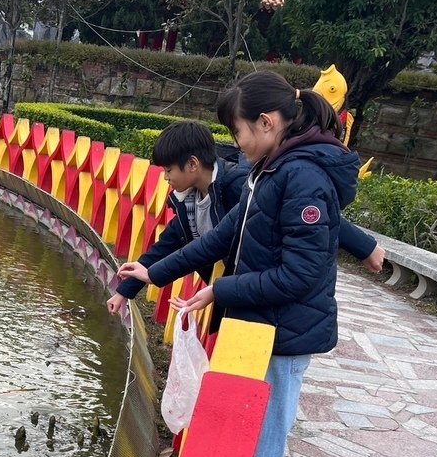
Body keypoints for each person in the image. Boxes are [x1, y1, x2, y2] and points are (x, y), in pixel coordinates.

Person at [117, 71, 362, 457]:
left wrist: (222, 291)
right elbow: (218, 240)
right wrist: (151, 274)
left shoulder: (303, 177)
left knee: (266, 444)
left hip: (283, 334)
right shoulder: (269, 172)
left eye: (240, 132)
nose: (237, 144)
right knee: (248, 437)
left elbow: (300, 274)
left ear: (268, 123)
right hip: (259, 328)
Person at [106, 122, 385, 315]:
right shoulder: (189, 199)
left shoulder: (239, 186)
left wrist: (366, 248)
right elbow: (167, 246)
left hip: (256, 287)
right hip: (230, 288)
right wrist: (125, 291)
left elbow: (318, 214)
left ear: (192, 164)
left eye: (169, 171)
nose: (166, 178)